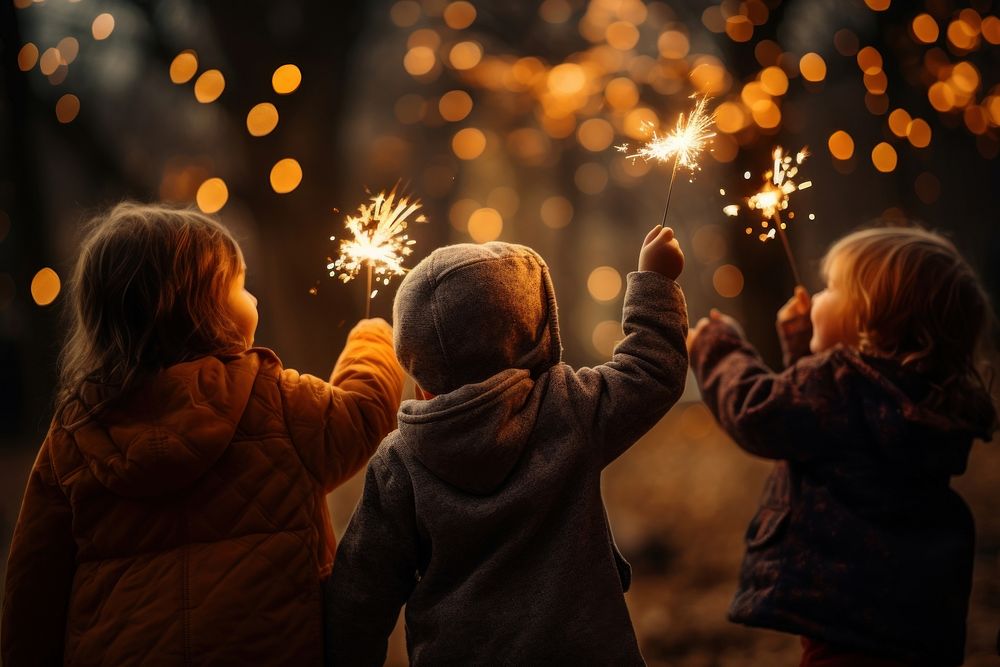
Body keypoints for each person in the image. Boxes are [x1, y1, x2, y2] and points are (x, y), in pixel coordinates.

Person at [1, 202, 404, 665]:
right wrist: (372, 339)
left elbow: (32, 587)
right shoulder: (274, 399)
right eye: (239, 288)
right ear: (201, 312)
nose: (254, 300)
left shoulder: (72, 435)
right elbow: (362, 414)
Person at [325, 226, 688, 665]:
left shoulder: (398, 462)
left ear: (417, 372)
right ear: (536, 337)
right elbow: (651, 370)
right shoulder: (567, 410)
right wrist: (655, 281)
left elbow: (360, 594)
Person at [687, 226, 997, 666]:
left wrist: (717, 349)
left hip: (840, 630)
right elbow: (830, 429)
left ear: (869, 322)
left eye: (831, 288)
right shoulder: (923, 401)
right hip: (911, 629)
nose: (815, 298)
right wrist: (804, 341)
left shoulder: (836, 387)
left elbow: (759, 411)